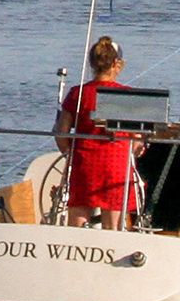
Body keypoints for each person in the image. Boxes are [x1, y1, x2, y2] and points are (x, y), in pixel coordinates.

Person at [55, 37, 138, 228]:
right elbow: (138, 137)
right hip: (116, 162)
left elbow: (62, 132)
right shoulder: (127, 95)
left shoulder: (78, 93)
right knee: (114, 225)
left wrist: (69, 155)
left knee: (78, 218)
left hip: (84, 162)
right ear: (117, 64)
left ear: (92, 63)